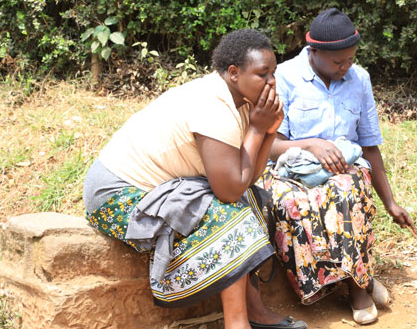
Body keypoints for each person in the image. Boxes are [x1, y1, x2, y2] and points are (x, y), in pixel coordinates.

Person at [83, 29, 307, 329]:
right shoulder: (213, 106)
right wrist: (256, 130)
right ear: (233, 72)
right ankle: (237, 323)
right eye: (262, 74)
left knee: (252, 199)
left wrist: (267, 131)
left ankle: (254, 309)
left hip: (161, 187)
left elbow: (246, 179)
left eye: (273, 73)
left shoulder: (239, 100)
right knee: (230, 215)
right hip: (116, 194)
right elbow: (228, 192)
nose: (271, 83)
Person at [259, 8, 417, 325]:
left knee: (346, 192)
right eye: (337, 62)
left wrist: (391, 203)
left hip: (344, 170)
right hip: (292, 169)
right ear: (313, 51)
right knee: (294, 204)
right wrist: (311, 144)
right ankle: (360, 278)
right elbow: (270, 146)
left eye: (350, 60)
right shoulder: (286, 78)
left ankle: (357, 288)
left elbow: (369, 145)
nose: (345, 67)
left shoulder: (359, 79)